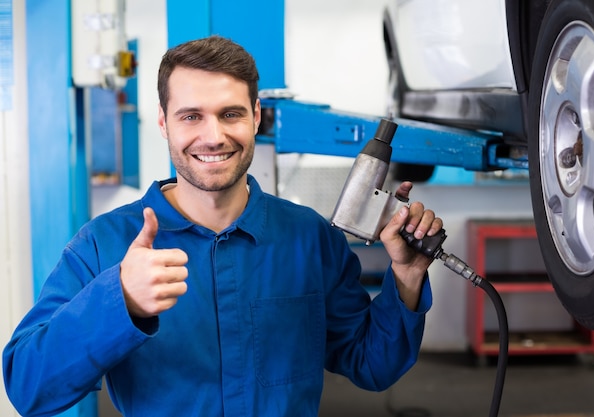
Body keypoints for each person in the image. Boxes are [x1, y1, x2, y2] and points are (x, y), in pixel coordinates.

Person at [3, 35, 443, 417]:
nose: (213, 136)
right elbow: (29, 388)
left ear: (255, 117)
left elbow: (372, 364)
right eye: (191, 116)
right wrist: (120, 301)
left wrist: (406, 276)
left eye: (230, 114)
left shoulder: (309, 238)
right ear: (163, 122)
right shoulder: (104, 245)